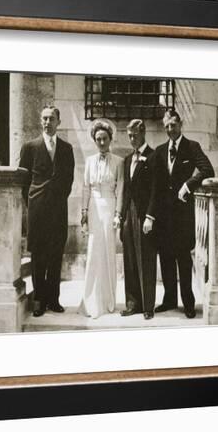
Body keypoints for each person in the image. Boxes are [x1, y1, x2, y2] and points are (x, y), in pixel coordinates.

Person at [147, 108, 214, 319]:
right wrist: (151, 215)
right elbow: (155, 186)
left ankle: (188, 303)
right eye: (166, 126)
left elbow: (207, 170)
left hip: (183, 217)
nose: (170, 129)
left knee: (184, 261)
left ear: (180, 124)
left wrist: (188, 185)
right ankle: (169, 300)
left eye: (173, 125)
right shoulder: (158, 151)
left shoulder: (192, 147)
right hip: (164, 219)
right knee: (166, 259)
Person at [19, 106, 75, 317]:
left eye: (51, 118)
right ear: (40, 121)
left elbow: (69, 179)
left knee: (55, 256)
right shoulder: (30, 147)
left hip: (58, 210)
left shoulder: (66, 148)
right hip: (37, 211)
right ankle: (39, 301)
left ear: (58, 121)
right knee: (38, 257)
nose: (47, 122)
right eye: (44, 118)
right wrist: (33, 202)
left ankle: (54, 300)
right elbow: (23, 181)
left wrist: (58, 198)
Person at [78, 120, 124, 319]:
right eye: (98, 139)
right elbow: (86, 188)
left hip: (110, 206)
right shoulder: (89, 161)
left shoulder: (119, 162)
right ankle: (91, 300)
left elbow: (120, 189)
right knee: (93, 253)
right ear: (94, 141)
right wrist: (84, 213)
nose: (102, 142)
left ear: (110, 139)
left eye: (105, 139)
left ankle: (107, 300)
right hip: (94, 209)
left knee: (108, 252)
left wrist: (118, 215)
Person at [120, 119, 158, 320]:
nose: (132, 139)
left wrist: (150, 217)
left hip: (145, 216)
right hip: (129, 214)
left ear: (143, 133)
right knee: (130, 260)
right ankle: (132, 303)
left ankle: (148, 306)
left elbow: (155, 190)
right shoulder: (127, 160)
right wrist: (122, 216)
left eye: (134, 135)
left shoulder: (153, 157)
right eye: (129, 136)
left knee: (146, 260)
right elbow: (126, 190)